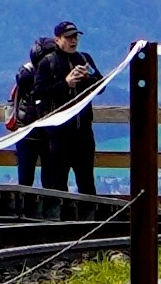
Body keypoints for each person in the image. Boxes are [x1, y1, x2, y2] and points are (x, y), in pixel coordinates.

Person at [6, 16, 99, 199]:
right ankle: (58, 224)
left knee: (87, 183)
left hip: (83, 133)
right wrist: (66, 83)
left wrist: (87, 78)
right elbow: (39, 92)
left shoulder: (84, 58)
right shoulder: (48, 63)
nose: (73, 40)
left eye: (76, 37)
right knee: (57, 185)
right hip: (59, 135)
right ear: (58, 39)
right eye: (69, 37)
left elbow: (101, 86)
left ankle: (90, 221)